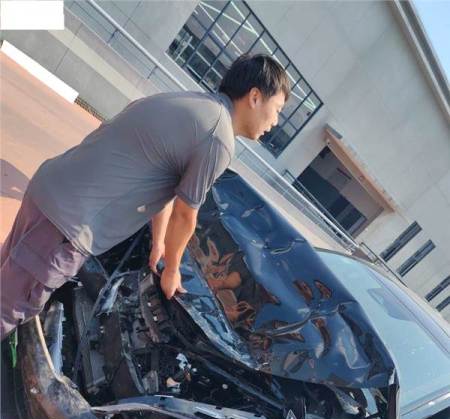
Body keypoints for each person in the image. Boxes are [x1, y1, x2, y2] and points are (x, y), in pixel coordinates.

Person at [0, 53, 289, 341]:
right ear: (254, 97)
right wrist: (172, 270)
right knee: (9, 309)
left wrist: (158, 243)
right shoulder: (218, 137)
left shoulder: (193, 104)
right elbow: (185, 214)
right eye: (277, 109)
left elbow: (160, 186)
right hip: (67, 226)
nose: (275, 121)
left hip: (49, 192)